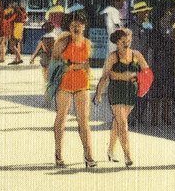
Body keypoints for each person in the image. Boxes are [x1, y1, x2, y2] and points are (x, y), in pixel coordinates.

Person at [46, 11, 95, 168]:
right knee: (62, 117)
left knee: (83, 120)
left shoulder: (87, 43)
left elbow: (87, 63)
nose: (77, 27)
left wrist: (89, 78)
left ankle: (89, 155)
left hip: (82, 82)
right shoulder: (62, 42)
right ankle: (58, 153)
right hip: (65, 81)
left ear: (84, 26)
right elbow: (53, 62)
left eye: (79, 25)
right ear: (69, 26)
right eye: (73, 25)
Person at [94, 29, 149, 167]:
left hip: (131, 93)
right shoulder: (113, 57)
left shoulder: (136, 55)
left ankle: (110, 150)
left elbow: (147, 72)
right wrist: (98, 95)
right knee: (123, 123)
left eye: (128, 40)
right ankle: (128, 156)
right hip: (116, 92)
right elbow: (105, 76)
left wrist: (139, 79)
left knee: (117, 123)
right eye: (123, 41)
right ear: (117, 42)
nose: (126, 43)